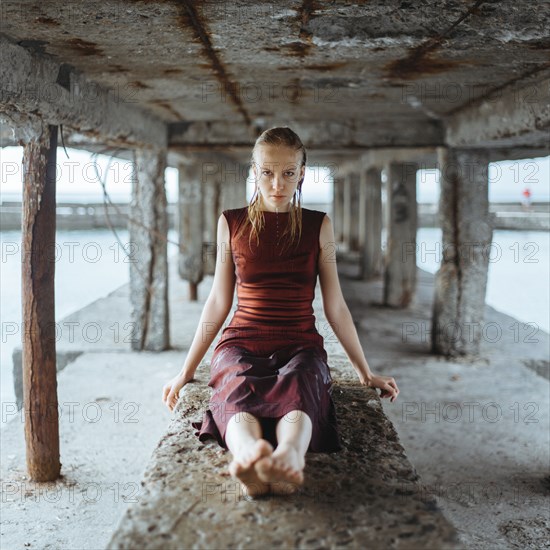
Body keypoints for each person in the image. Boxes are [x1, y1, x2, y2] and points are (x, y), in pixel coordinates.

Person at [162, 127, 399, 498]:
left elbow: (334, 304)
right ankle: (249, 457)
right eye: (268, 172)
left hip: (300, 341)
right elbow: (218, 302)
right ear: (253, 170)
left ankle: (289, 456)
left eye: (289, 173)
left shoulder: (319, 225)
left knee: (303, 381)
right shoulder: (232, 222)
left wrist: (364, 371)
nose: (277, 183)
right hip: (241, 340)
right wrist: (186, 370)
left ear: (302, 172)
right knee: (236, 384)